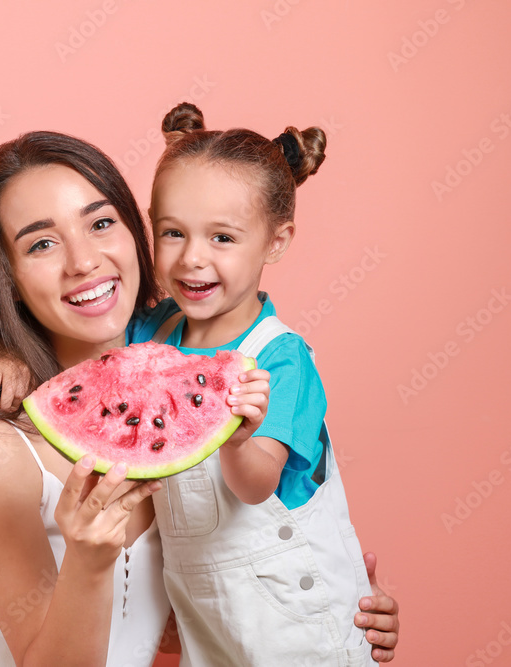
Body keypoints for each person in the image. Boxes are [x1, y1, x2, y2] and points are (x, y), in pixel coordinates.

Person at [0, 130, 399, 666]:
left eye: (101, 223)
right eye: (42, 243)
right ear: (6, 278)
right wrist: (6, 349)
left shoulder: (181, 370)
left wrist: (328, 604)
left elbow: (160, 622)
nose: (83, 261)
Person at [120, 102, 375, 665]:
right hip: (205, 616)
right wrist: (7, 355)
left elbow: (257, 484)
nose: (192, 259)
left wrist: (235, 437)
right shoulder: (151, 329)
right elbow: (77, 356)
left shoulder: (279, 359)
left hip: (293, 615)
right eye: (172, 232)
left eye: (223, 238)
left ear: (276, 242)